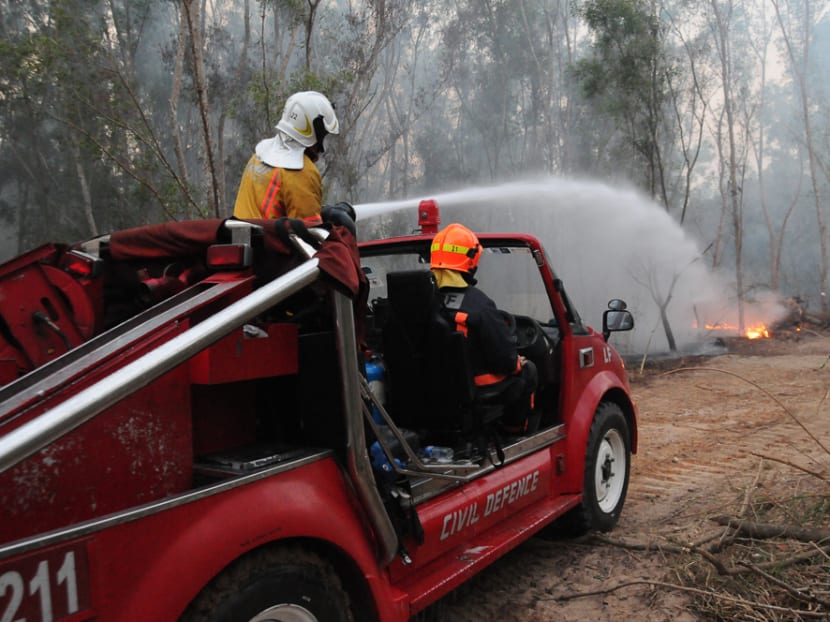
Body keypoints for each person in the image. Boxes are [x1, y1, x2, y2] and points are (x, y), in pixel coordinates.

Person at [430, 223, 537, 434]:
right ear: (470, 260)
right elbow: (505, 360)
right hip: (474, 391)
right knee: (528, 370)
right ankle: (514, 430)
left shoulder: (422, 300)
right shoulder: (478, 304)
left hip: (431, 391)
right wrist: (517, 363)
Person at [233, 91, 339, 226]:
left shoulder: (259, 156)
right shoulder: (302, 172)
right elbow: (310, 230)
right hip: (269, 239)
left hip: (240, 235)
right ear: (315, 131)